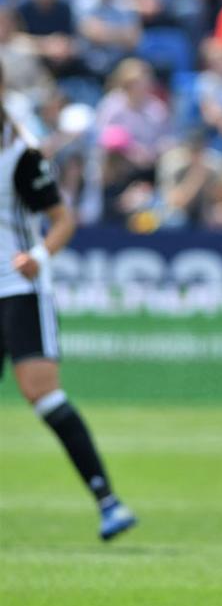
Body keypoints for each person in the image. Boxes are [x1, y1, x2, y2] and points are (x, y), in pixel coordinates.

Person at [0, 62, 136, 540]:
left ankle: (107, 500)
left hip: (18, 289)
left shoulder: (20, 157)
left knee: (42, 393)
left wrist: (37, 254)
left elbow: (63, 219)